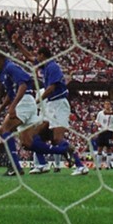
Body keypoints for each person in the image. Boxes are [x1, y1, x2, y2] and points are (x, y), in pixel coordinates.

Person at [0, 48, 61, 176]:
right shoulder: (3, 72)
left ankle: (15, 167)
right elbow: (10, 95)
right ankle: (63, 150)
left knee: (4, 130)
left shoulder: (10, 67)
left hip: (24, 101)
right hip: (24, 101)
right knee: (27, 142)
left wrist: (13, 107)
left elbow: (24, 85)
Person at [33, 47, 89, 176]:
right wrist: (18, 43)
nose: (36, 59)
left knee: (57, 139)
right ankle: (42, 164)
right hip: (51, 106)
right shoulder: (45, 66)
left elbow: (51, 88)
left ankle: (81, 166)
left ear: (43, 55)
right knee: (36, 136)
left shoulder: (53, 67)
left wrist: (37, 101)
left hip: (59, 104)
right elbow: (31, 59)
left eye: (38, 55)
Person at [91, 102, 113, 170]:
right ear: (104, 105)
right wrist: (97, 124)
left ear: (110, 105)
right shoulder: (100, 113)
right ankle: (99, 166)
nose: (107, 105)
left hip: (109, 132)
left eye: (108, 104)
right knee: (99, 148)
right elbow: (97, 121)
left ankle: (108, 165)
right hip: (101, 132)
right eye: (106, 104)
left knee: (109, 148)